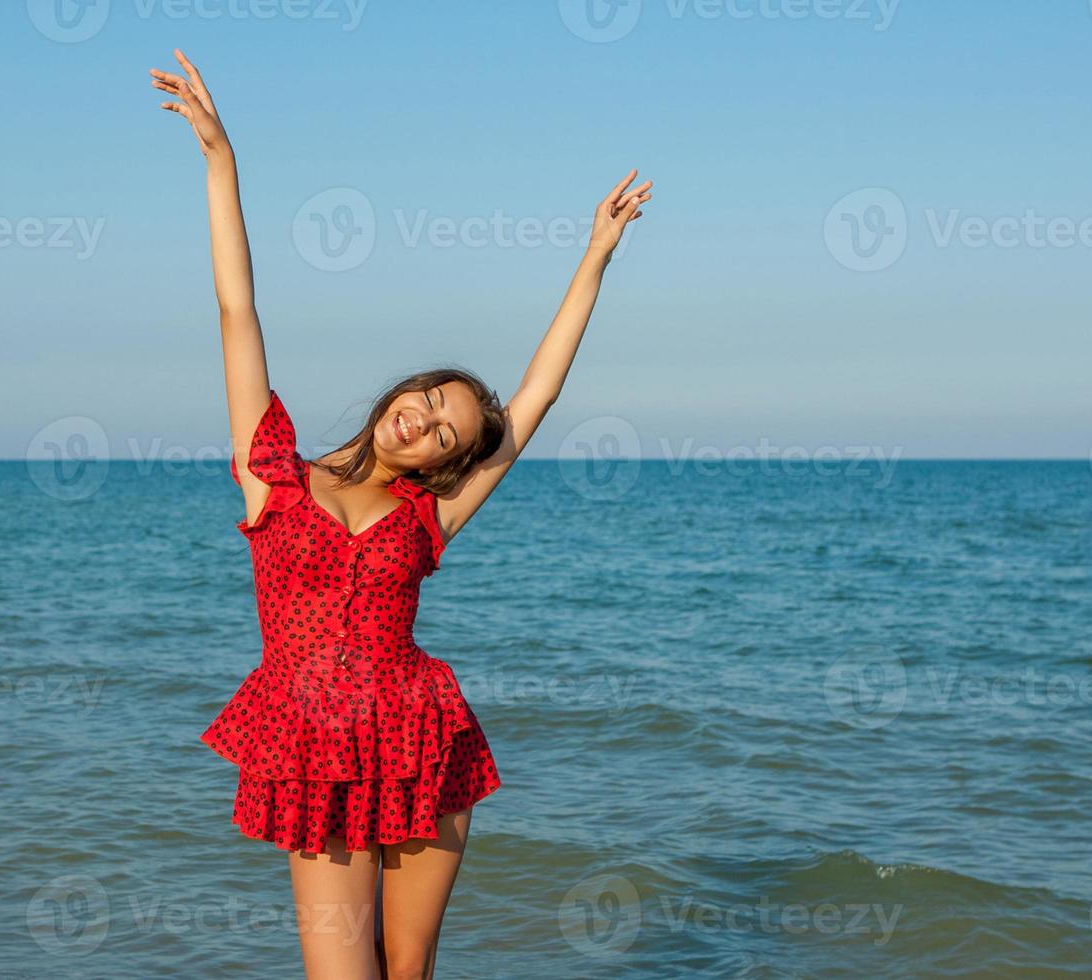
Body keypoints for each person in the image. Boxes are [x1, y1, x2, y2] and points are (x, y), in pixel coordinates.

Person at [150, 48, 651, 980]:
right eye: (428, 397)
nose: (423, 418)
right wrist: (221, 159)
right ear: (403, 393)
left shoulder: (428, 518)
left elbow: (534, 401)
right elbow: (235, 309)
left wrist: (594, 259)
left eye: (443, 432)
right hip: (313, 745)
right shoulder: (272, 473)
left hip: (424, 735)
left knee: (407, 970)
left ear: (443, 461)